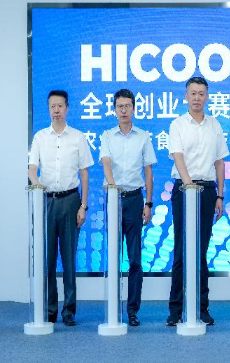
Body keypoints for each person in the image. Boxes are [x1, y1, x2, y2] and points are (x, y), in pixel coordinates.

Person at [28, 90, 94, 327]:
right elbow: (31, 169)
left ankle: (69, 311)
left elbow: (84, 174)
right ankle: (50, 309)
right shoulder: (40, 137)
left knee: (68, 259)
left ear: (67, 108)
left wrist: (83, 206)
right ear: (49, 109)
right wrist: (37, 186)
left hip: (70, 201)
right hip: (46, 202)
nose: (56, 110)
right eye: (52, 106)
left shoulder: (77, 137)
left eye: (60, 106)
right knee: (47, 261)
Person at [166, 76, 229, 326]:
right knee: (182, 249)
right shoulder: (178, 125)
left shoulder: (215, 125)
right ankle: (176, 309)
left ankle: (202, 307)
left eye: (201, 93)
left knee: (201, 251)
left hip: (208, 191)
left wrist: (220, 195)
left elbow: (220, 162)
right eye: (193, 93)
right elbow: (178, 157)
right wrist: (189, 185)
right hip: (184, 190)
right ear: (186, 96)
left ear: (207, 97)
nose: (197, 98)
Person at [99, 89, 157, 327]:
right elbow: (106, 163)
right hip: (114, 199)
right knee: (113, 257)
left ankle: (132, 310)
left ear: (133, 108)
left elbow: (148, 171)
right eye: (119, 106)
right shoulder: (107, 136)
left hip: (134, 200)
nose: (123, 110)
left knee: (134, 259)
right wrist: (113, 187)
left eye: (127, 106)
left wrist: (148, 203)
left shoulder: (143, 137)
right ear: (114, 110)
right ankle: (114, 308)